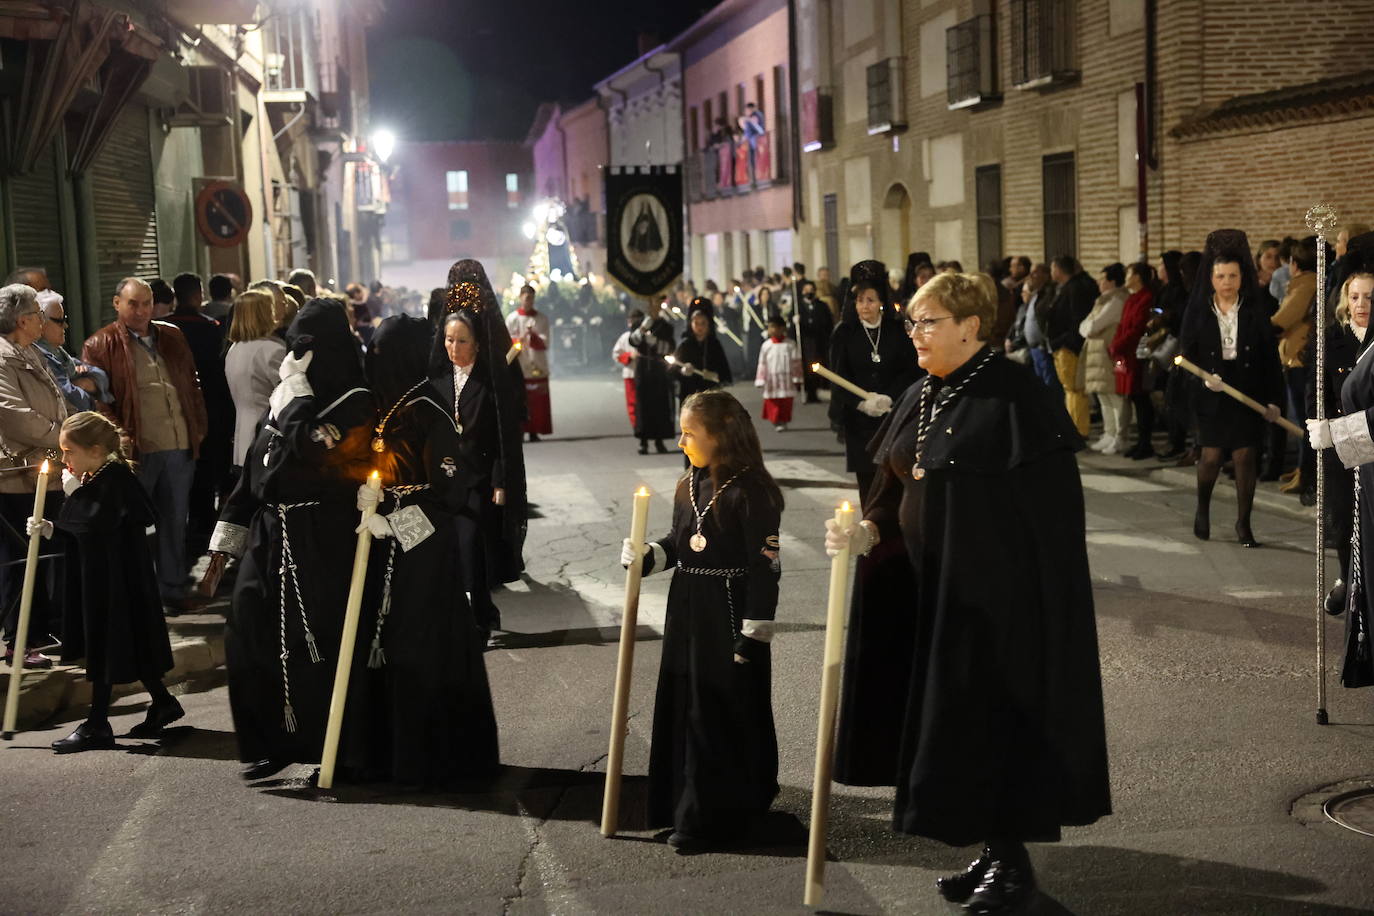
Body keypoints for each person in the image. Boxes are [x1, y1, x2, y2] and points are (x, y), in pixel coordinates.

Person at [825, 271, 1111, 911]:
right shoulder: (921, 393)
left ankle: (1012, 867)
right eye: (912, 322)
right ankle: (990, 851)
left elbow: (1053, 520)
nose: (915, 334)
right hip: (927, 594)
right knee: (951, 730)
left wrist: (1022, 595)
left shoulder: (1016, 397)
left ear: (970, 327)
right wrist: (867, 530)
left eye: (928, 322)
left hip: (995, 604)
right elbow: (895, 483)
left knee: (992, 728)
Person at [204, 299, 375, 781]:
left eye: (309, 346)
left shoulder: (355, 401)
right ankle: (271, 740)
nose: (300, 356)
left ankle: (334, 747)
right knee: (247, 633)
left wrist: (297, 396)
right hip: (270, 534)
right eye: (294, 344)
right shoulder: (285, 398)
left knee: (317, 644)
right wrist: (223, 546)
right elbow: (254, 469)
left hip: (322, 535)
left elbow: (312, 449)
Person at [620, 388, 783, 852]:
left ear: (720, 436)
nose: (681, 442)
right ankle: (680, 803)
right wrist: (647, 555)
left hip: (727, 612)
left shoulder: (753, 491)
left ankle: (711, 816)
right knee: (684, 704)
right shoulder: (688, 482)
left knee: (714, 712)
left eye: (689, 433)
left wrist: (754, 632)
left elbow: (766, 566)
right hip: (687, 605)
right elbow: (679, 541)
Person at [349, 315, 499, 785]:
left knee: (421, 644)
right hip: (384, 548)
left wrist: (396, 525)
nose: (373, 362)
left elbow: (449, 494)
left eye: (381, 354)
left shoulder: (430, 410)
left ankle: (430, 755)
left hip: (423, 554)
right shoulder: (388, 405)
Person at [39, 411, 180, 752]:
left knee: (107, 641)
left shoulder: (115, 477)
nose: (65, 460)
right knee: (127, 641)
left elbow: (101, 522)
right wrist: (51, 529)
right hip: (110, 577)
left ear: (96, 450)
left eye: (69, 451)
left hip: (118, 582)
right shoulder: (98, 475)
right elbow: (86, 529)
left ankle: (97, 723)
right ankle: (163, 702)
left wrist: (76, 495)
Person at [82, 277, 208, 611]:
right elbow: (98, 400)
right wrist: (119, 436)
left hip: (179, 444)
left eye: (146, 304)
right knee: (131, 525)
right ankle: (135, 598)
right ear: (117, 303)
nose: (141, 311)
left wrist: (198, 425)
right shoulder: (101, 344)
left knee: (175, 522)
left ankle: (172, 588)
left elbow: (192, 382)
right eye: (133, 304)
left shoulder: (172, 335)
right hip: (137, 449)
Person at [1179, 230, 1284, 548]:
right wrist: (1202, 379)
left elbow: (1269, 359)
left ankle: (1243, 523)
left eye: (1233, 276)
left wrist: (1274, 400)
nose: (1227, 282)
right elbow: (1186, 355)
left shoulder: (1254, 310)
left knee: (1245, 456)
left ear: (1242, 277)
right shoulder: (1199, 311)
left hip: (1247, 391)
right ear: (1211, 278)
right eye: (1221, 276)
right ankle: (1203, 509)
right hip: (1211, 393)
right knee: (1211, 457)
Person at [432, 284, 523, 642]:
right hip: (444, 479)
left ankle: (479, 621)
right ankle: (473, 613)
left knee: (472, 547)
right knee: (452, 550)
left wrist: (501, 481)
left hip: (479, 478)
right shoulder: (437, 380)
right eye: (449, 340)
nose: (454, 348)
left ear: (478, 343)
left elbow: (502, 436)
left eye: (462, 341)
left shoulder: (489, 381)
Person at [1306, 231, 1374, 692]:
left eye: (1369, 297)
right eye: (1355, 297)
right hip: (1343, 453)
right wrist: (1320, 438)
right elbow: (1319, 399)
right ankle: (1349, 583)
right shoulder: (1331, 340)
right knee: (1344, 524)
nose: (1361, 305)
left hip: (1368, 453)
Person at [0, 283, 68, 667]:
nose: (43, 321)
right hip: (17, 476)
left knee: (41, 556)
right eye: (38, 315)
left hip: (45, 469)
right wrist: (63, 436)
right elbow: (14, 415)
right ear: (23, 319)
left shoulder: (30, 352)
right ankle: (19, 641)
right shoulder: (2, 358)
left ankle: (38, 632)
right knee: (21, 558)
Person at [827, 261, 923, 506]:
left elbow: (910, 371)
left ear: (881, 301)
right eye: (859, 300)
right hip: (859, 423)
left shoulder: (897, 331)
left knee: (895, 478)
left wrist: (890, 396)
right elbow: (838, 378)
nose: (864, 306)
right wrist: (861, 403)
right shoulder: (844, 333)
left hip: (894, 416)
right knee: (868, 483)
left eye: (870, 300)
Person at [165, 272, 233, 558]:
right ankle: (202, 526)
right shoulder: (210, 328)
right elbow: (219, 372)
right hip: (208, 408)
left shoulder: (163, 328)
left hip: (171, 409)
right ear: (197, 295)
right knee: (205, 468)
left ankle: (179, 530)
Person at [1272, 237, 1318, 499]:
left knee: (1304, 421)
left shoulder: (1305, 284)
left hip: (1299, 359)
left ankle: (1306, 473)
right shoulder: (1304, 283)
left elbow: (1282, 320)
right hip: (1296, 357)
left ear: (1294, 262)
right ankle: (1303, 467)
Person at [223, 290, 287, 471]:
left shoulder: (235, 349)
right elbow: (286, 395)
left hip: (242, 436)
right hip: (266, 436)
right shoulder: (271, 350)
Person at [1079, 263, 1129, 454]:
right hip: (1097, 354)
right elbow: (1083, 326)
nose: (1099, 283)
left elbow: (1093, 326)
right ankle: (1109, 433)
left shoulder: (1116, 300)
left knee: (1114, 396)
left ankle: (1119, 436)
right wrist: (1088, 328)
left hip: (1107, 353)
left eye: (1102, 280)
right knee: (1103, 395)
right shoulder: (1102, 300)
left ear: (1112, 281)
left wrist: (1089, 328)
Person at [1046, 256, 1098, 437]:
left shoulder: (1075, 288)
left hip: (1068, 347)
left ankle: (1077, 430)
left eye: (1052, 268)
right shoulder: (1066, 288)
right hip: (1062, 345)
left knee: (1075, 389)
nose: (1051, 272)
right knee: (1070, 389)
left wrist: (1065, 341)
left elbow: (1076, 319)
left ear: (1059, 270)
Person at [35, 289, 111, 413]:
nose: (66, 325)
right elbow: (72, 398)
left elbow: (101, 375)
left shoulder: (60, 354)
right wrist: (92, 399)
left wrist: (82, 384)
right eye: (59, 321)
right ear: (41, 324)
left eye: (64, 319)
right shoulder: (41, 356)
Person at [1111, 263, 1159, 460]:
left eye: (1129, 273)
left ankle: (1145, 442)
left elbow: (1137, 328)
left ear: (1138, 277)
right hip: (1125, 354)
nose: (1126, 277)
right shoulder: (1132, 298)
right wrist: (1116, 345)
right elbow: (1123, 325)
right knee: (1131, 396)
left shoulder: (1145, 298)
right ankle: (1140, 442)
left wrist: (1118, 345)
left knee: (1140, 398)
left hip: (1136, 355)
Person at [505, 285, 552, 442]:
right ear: (520, 298)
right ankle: (520, 430)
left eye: (531, 298)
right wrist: (517, 341)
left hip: (536, 364)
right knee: (519, 399)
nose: (529, 301)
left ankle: (534, 430)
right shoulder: (512, 318)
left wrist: (533, 336)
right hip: (519, 364)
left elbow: (545, 342)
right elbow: (505, 341)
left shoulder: (541, 319)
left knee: (537, 401)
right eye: (526, 298)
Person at [629, 302, 677, 455]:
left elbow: (670, 347)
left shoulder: (665, 326)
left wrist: (656, 342)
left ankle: (659, 440)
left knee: (660, 404)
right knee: (643, 404)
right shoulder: (639, 323)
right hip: (643, 367)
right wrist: (642, 329)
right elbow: (633, 341)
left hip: (659, 368)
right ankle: (643, 441)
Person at [672, 298, 732, 405]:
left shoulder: (714, 344)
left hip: (710, 392)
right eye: (696, 323)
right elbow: (673, 368)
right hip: (689, 394)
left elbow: (723, 368)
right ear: (691, 324)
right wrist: (682, 371)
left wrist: (717, 376)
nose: (700, 327)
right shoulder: (685, 345)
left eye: (703, 323)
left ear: (709, 324)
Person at [755, 316, 801, 431]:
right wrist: (761, 379)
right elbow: (762, 363)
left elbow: (796, 362)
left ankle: (783, 421)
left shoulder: (790, 344)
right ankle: (776, 421)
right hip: (772, 380)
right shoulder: (766, 345)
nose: (771, 330)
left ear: (782, 328)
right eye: (769, 327)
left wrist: (797, 377)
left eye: (774, 327)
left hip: (786, 379)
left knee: (786, 402)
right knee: (773, 401)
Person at [796, 280, 834, 403]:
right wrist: (795, 322)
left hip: (819, 342)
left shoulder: (822, 306)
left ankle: (819, 389)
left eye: (811, 290)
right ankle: (810, 392)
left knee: (819, 366)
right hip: (806, 343)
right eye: (806, 290)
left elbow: (829, 323)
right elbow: (793, 330)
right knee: (807, 367)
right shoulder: (798, 307)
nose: (809, 292)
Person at [612, 310, 643, 432]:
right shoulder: (625, 337)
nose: (632, 322)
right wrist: (629, 356)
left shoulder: (647, 336)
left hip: (646, 374)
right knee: (632, 403)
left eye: (635, 319)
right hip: (631, 374)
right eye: (631, 319)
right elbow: (616, 354)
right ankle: (636, 426)